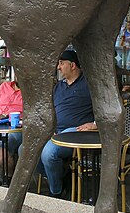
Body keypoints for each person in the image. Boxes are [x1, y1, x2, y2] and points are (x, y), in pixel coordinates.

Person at [38, 49, 96, 198]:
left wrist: (95, 124)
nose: (58, 67)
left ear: (72, 65)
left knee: (48, 154)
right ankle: (62, 176)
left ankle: (56, 192)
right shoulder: (58, 87)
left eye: (61, 63)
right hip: (55, 131)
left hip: (76, 133)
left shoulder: (90, 84)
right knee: (24, 150)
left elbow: (106, 108)